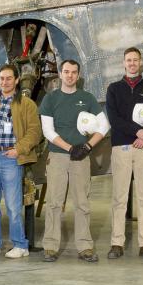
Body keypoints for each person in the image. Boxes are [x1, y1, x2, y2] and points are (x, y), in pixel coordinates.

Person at [39, 59, 109, 262]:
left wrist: (87, 146)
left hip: (81, 157)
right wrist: (70, 148)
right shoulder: (50, 99)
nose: (70, 75)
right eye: (66, 72)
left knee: (82, 202)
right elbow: (48, 131)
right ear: (60, 74)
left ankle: (85, 247)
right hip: (58, 156)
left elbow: (104, 126)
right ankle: (50, 247)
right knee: (54, 202)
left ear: (78, 76)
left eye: (74, 72)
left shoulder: (87, 98)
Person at [104, 47, 143, 260]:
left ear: (141, 63)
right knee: (119, 197)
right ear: (123, 63)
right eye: (128, 60)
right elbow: (114, 119)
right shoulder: (114, 89)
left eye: (135, 60)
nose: (132, 63)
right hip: (121, 148)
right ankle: (117, 243)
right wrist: (137, 132)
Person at [0, 64, 41, 259]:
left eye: (9, 78)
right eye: (2, 78)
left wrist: (18, 150)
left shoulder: (27, 104)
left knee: (13, 205)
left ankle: (20, 245)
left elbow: (34, 132)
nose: (5, 82)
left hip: (10, 159)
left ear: (17, 80)